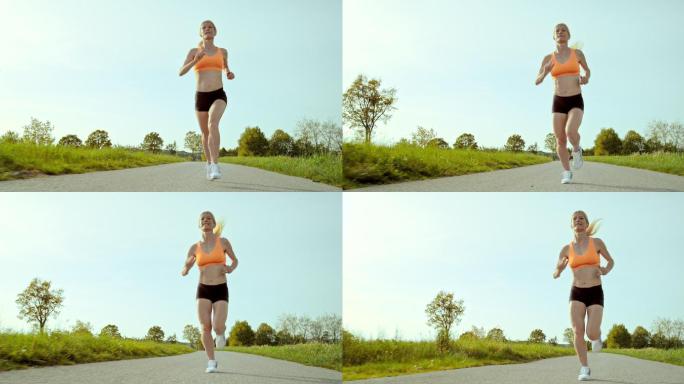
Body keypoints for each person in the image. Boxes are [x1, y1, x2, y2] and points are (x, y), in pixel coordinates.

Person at [553, 210, 614, 381]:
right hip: (577, 291)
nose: (578, 220)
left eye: (582, 218)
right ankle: (584, 368)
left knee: (591, 332)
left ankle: (597, 336)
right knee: (577, 331)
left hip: (595, 290)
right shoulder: (566, 249)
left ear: (587, 224)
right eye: (575, 218)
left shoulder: (597, 243)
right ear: (571, 225)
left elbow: (611, 261)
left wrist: (605, 270)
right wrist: (559, 269)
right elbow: (555, 274)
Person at [181, 211, 238, 373]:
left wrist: (230, 268)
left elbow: (235, 260)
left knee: (218, 326)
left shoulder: (224, 242)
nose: (206, 220)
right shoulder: (194, 247)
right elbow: (186, 266)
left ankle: (220, 333)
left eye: (209, 218)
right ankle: (211, 361)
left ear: (214, 224)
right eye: (203, 219)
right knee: (205, 327)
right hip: (203, 288)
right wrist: (186, 268)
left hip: (220, 288)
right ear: (200, 224)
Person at [179, 20, 235, 180]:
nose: (207, 29)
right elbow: (181, 72)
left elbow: (225, 68)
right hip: (201, 96)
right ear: (200, 32)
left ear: (215, 32)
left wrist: (229, 74)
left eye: (210, 27)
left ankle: (216, 165)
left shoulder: (222, 51)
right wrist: (195, 60)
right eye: (204, 27)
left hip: (218, 94)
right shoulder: (193, 51)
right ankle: (209, 164)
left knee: (213, 124)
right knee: (205, 132)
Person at [535, 23, 591, 184]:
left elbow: (587, 70)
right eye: (557, 31)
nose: (561, 32)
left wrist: (586, 77)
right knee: (560, 140)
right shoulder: (548, 58)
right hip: (558, 100)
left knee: (570, 132)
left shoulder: (577, 53)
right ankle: (567, 172)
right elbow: (537, 81)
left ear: (569, 35)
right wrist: (545, 72)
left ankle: (577, 149)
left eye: (564, 30)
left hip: (575, 98)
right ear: (554, 36)